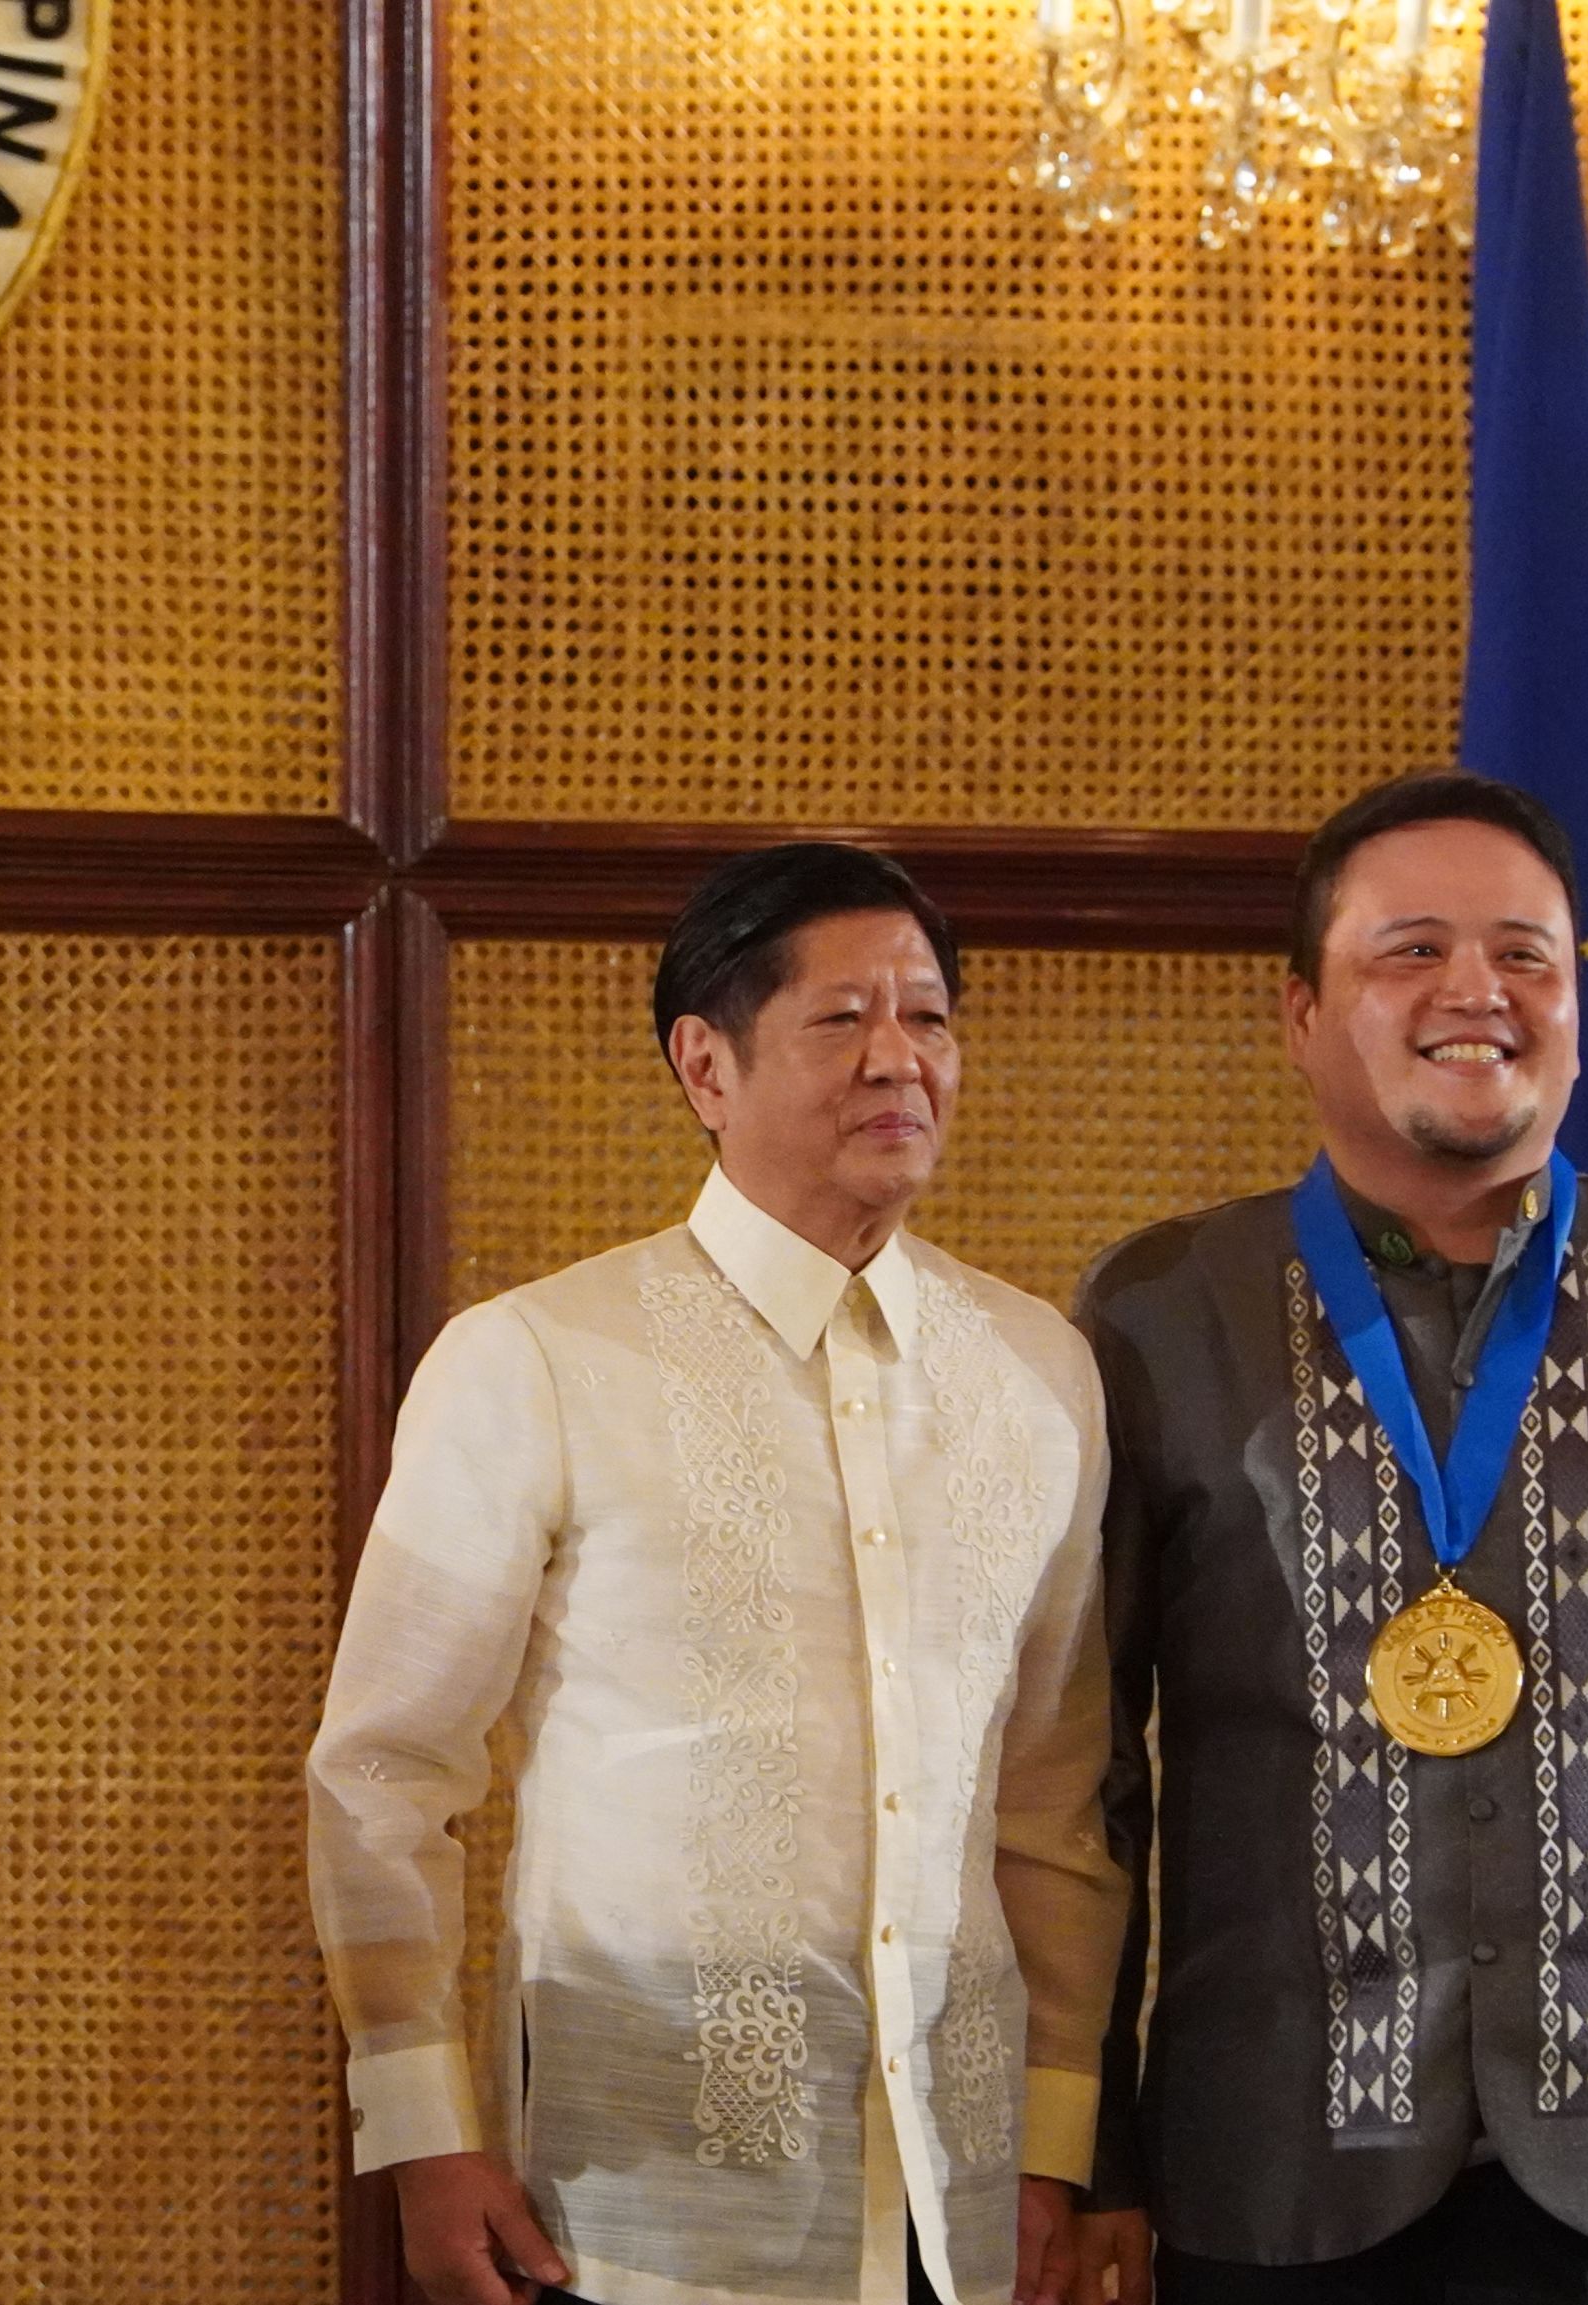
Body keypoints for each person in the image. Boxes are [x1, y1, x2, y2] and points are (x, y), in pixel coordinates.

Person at [1070, 773, 1588, 2304]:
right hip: (1266, 2177)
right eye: (1411, 952)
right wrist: (1090, 2149)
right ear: (1303, 1013)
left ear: (1581, 1002)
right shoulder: (1158, 1306)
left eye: (1528, 954)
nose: (1479, 992)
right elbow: (1083, 1773)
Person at [310, 843, 1125, 2305]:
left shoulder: (1039, 1375)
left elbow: (1055, 1809)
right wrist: (426, 2135)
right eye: (843, 1019)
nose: (901, 1059)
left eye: (929, 1018)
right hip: (637, 2209)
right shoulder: (539, 1359)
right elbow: (383, 1771)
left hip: (969, 2203)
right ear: (706, 1065)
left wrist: (1058, 2147)